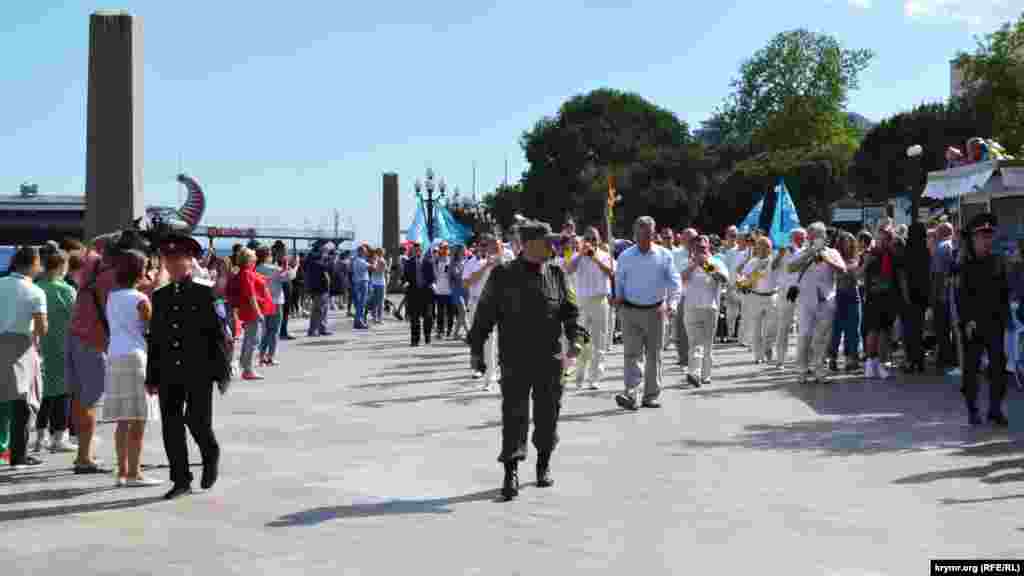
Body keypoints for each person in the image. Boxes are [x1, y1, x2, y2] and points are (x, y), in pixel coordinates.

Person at [467, 219, 588, 501]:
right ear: (530, 244)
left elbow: (571, 312)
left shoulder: (557, 274)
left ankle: (543, 463)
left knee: (548, 415)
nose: (553, 246)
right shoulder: (503, 274)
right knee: (514, 415)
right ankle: (511, 470)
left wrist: (577, 340)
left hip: (550, 358)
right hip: (515, 359)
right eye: (548, 241)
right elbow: (484, 314)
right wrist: (476, 350)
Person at [147, 232, 230, 499]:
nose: (171, 265)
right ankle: (180, 479)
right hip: (169, 369)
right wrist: (152, 375)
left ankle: (210, 452)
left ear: (190, 261)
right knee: (171, 425)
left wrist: (222, 372)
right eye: (167, 260)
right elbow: (156, 338)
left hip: (199, 369)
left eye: (177, 259)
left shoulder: (205, 294)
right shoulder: (160, 296)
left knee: (197, 421)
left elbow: (218, 337)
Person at [103, 249, 163, 487]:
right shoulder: (140, 299)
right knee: (138, 419)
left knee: (122, 420)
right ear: (140, 271)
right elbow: (153, 326)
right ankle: (134, 473)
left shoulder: (111, 296)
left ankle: (122, 471)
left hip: (114, 354)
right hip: (135, 356)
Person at [612, 216, 682, 410]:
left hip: (656, 311)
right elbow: (619, 281)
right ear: (634, 234)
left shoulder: (664, 255)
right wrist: (618, 299)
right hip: (630, 310)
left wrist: (673, 303)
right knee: (631, 354)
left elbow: (675, 282)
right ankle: (631, 393)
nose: (644, 237)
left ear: (654, 233)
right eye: (640, 233)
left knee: (654, 355)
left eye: (648, 233)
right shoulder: (625, 256)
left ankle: (650, 395)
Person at [958, 213, 1010, 427]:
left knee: (999, 366)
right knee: (971, 369)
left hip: (994, 323)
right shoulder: (966, 264)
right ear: (973, 239)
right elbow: (962, 296)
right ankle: (973, 409)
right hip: (973, 325)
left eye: (989, 237)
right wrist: (968, 320)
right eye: (982, 237)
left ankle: (995, 409)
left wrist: (1005, 317)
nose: (986, 241)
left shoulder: (997, 261)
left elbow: (1003, 291)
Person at [0, 246, 47, 468]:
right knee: (23, 401)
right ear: (32, 264)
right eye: (39, 262)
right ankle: (18, 456)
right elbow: (41, 327)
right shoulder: (35, 291)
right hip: (21, 346)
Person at [788, 221, 846, 384]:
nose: (811, 239)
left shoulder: (832, 252)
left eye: (815, 236)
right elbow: (790, 268)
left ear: (823, 237)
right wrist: (809, 254)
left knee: (820, 338)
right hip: (806, 301)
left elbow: (842, 269)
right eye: (810, 236)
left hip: (826, 301)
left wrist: (826, 258)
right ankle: (801, 370)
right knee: (804, 336)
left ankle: (819, 370)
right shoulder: (803, 252)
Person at [34, 249, 78, 453]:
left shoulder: (36, 287)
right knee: (62, 391)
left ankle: (39, 437)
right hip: (63, 345)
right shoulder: (66, 290)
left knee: (42, 391)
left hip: (39, 346)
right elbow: (77, 318)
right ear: (62, 266)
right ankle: (59, 437)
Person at [681, 235, 729, 386]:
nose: (701, 250)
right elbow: (680, 278)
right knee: (694, 342)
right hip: (691, 307)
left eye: (703, 247)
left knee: (707, 344)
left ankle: (705, 374)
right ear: (692, 249)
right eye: (697, 248)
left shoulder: (717, 262)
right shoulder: (687, 262)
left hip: (710, 307)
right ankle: (694, 373)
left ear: (709, 247)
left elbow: (723, 279)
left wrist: (706, 265)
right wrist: (694, 265)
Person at [737, 236, 777, 364]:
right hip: (755, 297)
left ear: (771, 248)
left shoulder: (775, 261)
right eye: (761, 246)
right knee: (756, 328)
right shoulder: (752, 262)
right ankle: (758, 355)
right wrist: (742, 282)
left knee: (772, 328)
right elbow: (744, 277)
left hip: (772, 296)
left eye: (767, 246)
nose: (764, 249)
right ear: (757, 248)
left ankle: (768, 347)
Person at [771, 228, 806, 368]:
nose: (801, 240)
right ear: (792, 238)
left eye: (803, 237)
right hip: (786, 292)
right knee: (783, 326)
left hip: (803, 292)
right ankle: (780, 359)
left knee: (803, 326)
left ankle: (802, 358)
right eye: (798, 237)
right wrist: (779, 255)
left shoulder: (807, 251)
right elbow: (773, 267)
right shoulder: (783, 251)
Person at [402, 242, 436, 347]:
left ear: (421, 251)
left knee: (428, 316)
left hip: (426, 292)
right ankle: (414, 340)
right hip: (414, 292)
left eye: (419, 250)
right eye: (415, 250)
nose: (417, 251)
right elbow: (405, 277)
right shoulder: (408, 262)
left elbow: (433, 277)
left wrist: (433, 284)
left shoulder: (428, 262)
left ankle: (427, 336)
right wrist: (404, 282)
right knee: (414, 318)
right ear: (412, 251)